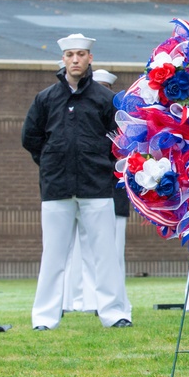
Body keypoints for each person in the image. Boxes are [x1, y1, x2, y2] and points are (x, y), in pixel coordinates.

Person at [22, 34, 132, 329]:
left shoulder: (105, 99)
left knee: (105, 255)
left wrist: (105, 167)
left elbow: (121, 140)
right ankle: (44, 318)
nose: (75, 59)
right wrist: (49, 163)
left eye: (80, 54)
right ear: (63, 59)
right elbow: (30, 138)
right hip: (56, 189)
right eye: (70, 54)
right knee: (53, 256)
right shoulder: (46, 99)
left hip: (96, 187)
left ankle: (115, 313)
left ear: (90, 58)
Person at [62, 68, 130, 314]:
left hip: (111, 193)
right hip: (85, 192)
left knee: (109, 253)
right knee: (81, 252)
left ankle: (108, 302)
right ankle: (79, 299)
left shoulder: (119, 121)